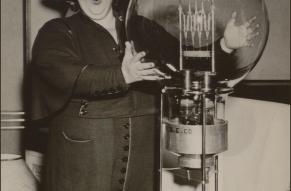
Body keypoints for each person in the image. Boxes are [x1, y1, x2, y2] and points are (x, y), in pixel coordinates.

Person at [28, 0, 259, 190]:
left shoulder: (141, 27)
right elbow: (64, 74)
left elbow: (181, 65)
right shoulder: (56, 31)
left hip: (144, 154)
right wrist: (123, 74)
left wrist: (224, 46)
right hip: (83, 158)